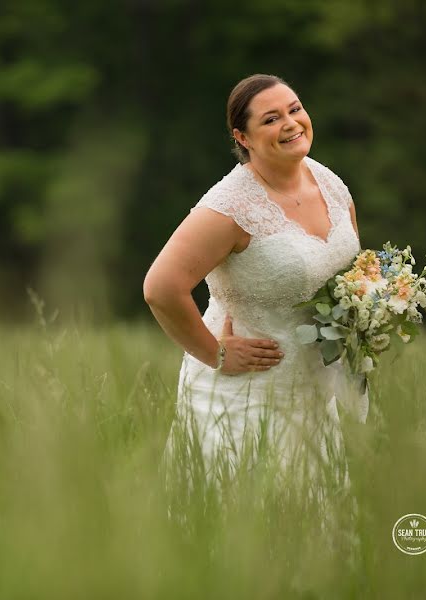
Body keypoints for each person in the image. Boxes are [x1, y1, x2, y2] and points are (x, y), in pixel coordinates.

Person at [143, 74, 369, 488]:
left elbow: (353, 273)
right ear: (242, 137)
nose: (291, 123)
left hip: (313, 390)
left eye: (295, 109)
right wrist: (214, 354)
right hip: (245, 392)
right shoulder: (229, 207)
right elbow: (160, 288)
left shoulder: (329, 183)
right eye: (270, 119)